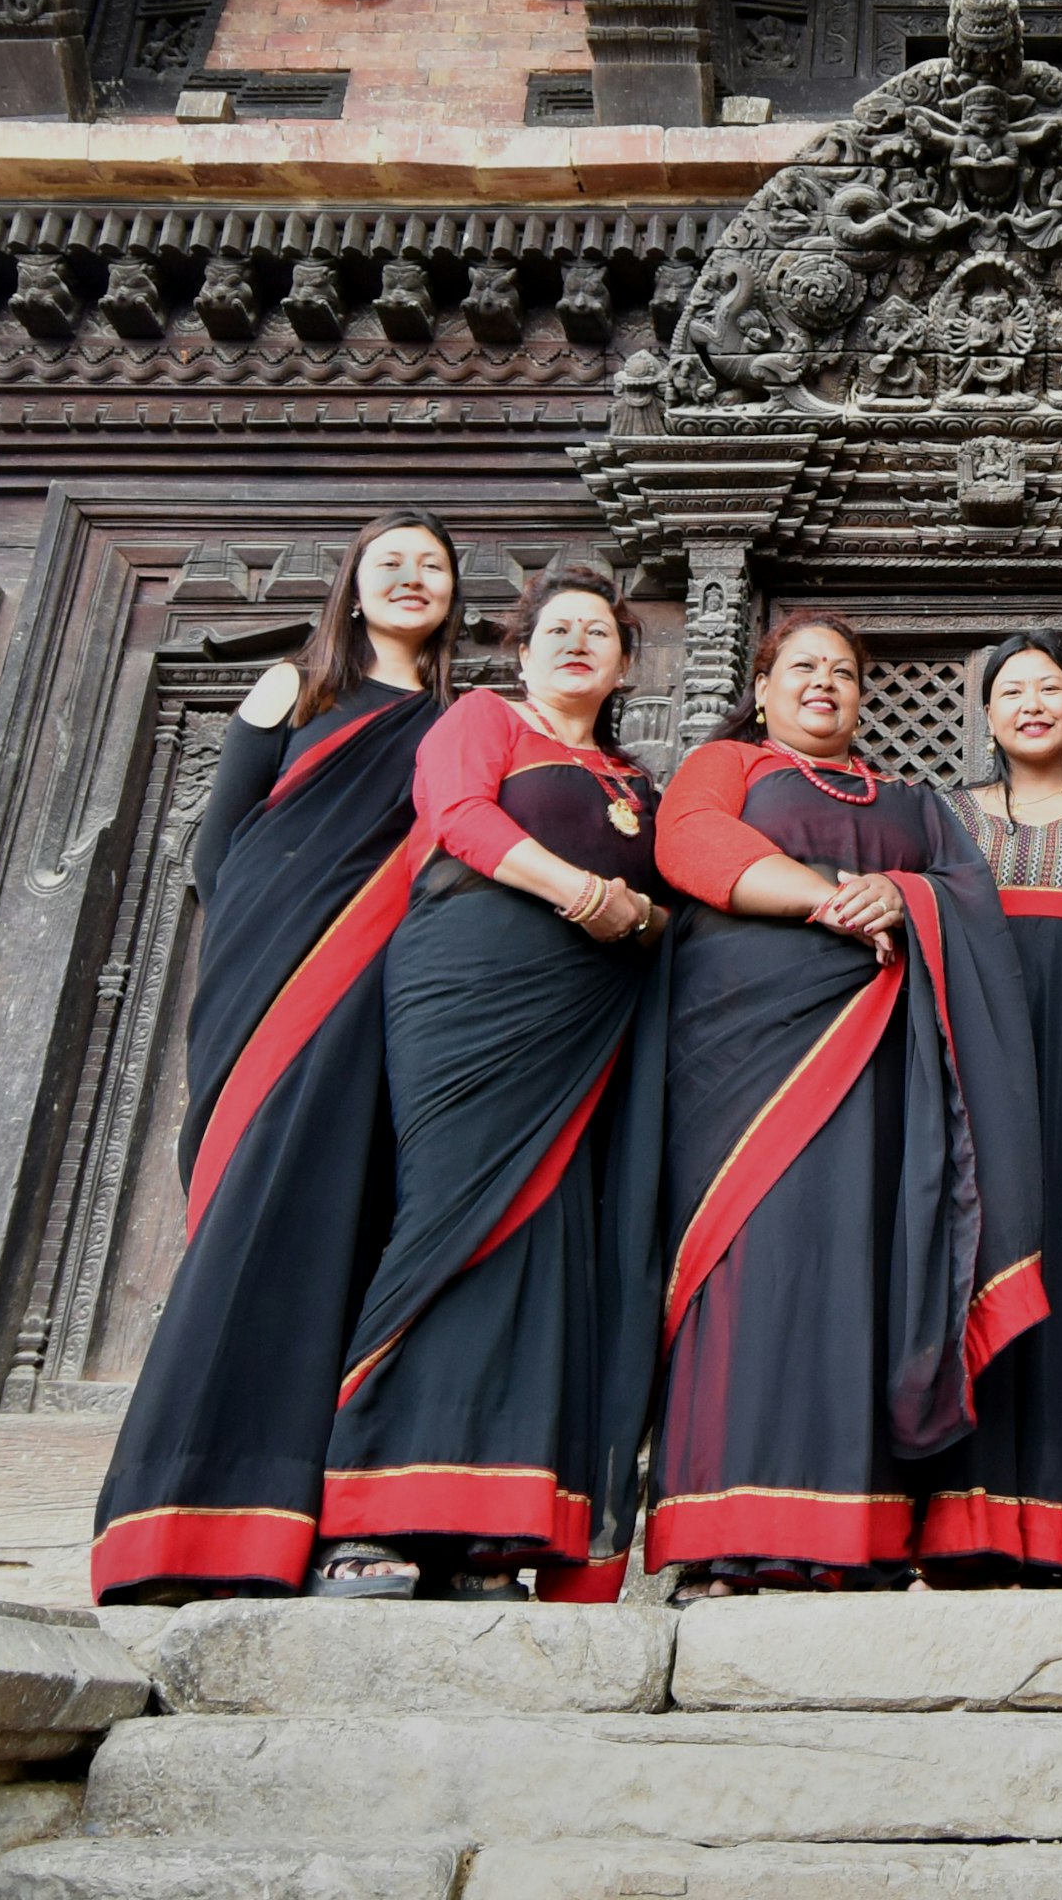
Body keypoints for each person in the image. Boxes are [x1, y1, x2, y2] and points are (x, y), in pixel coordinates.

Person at [91, 514, 461, 1601]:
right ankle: (182, 1517)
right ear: (352, 587)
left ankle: (316, 1507)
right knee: (255, 1196)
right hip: (273, 968)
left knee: (343, 1214)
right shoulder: (290, 691)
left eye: (429, 567)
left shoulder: (453, 727)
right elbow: (220, 842)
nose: (408, 578)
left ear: (450, 599)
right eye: (389, 563)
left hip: (380, 987)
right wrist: (288, 928)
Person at [645, 611, 1051, 1596]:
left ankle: (852, 1536)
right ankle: (725, 1530)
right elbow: (691, 845)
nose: (823, 683)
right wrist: (830, 897)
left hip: (884, 1071)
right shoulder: (727, 765)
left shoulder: (912, 802)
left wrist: (904, 900)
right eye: (802, 667)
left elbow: (966, 897)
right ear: (765, 682)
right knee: (752, 1266)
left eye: (842, 672)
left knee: (865, 1273)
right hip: (745, 1065)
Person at [311, 565, 672, 1602]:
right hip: (473, 975)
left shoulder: (629, 778)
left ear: (620, 663)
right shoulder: (482, 718)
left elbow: (659, 904)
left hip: (588, 1011)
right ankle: (368, 1509)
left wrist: (638, 917)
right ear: (521, 652)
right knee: (447, 1217)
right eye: (556, 629)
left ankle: (485, 1525)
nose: (575, 644)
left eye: (597, 633)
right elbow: (459, 817)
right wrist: (580, 892)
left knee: (545, 1247)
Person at [917, 630, 1062, 1581]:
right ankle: (968, 1527)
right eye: (1011, 690)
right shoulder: (946, 815)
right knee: (977, 1253)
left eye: (1050, 687)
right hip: (977, 1064)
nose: (1032, 704)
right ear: (986, 715)